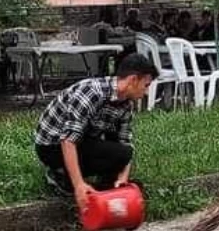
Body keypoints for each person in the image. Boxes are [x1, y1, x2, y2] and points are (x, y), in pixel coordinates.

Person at [34, 54, 159, 210]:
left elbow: (125, 143)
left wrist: (122, 179)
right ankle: (61, 176)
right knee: (102, 156)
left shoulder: (126, 104)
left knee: (123, 153)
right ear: (133, 80)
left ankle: (105, 186)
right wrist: (79, 185)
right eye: (146, 85)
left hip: (83, 140)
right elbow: (68, 140)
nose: (146, 91)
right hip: (52, 146)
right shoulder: (91, 93)